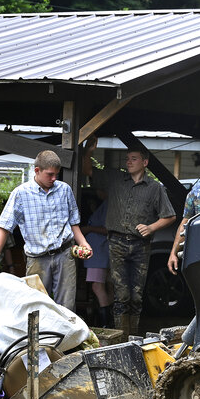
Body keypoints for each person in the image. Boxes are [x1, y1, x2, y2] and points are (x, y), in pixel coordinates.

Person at [82, 139, 176, 336]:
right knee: (121, 295)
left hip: (141, 245)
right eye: (127, 159)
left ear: (145, 162)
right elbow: (88, 170)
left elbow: (170, 216)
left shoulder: (155, 188)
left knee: (136, 296)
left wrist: (151, 227)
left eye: (134, 158)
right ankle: (121, 337)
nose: (129, 162)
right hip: (116, 242)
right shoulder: (116, 178)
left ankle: (132, 336)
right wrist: (88, 151)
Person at [0, 150, 92, 311]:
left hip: (64, 254)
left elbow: (73, 223)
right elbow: (4, 226)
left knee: (67, 306)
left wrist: (84, 243)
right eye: (50, 174)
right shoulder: (21, 193)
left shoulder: (64, 190)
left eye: (56, 174)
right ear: (37, 170)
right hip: (37, 258)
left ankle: (66, 328)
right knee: (36, 307)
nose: (54, 178)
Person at [79, 194, 112, 327]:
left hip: (98, 251)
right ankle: (108, 321)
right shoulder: (106, 205)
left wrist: (88, 229)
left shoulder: (107, 205)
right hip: (101, 251)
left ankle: (106, 324)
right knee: (108, 286)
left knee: (97, 286)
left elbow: (108, 229)